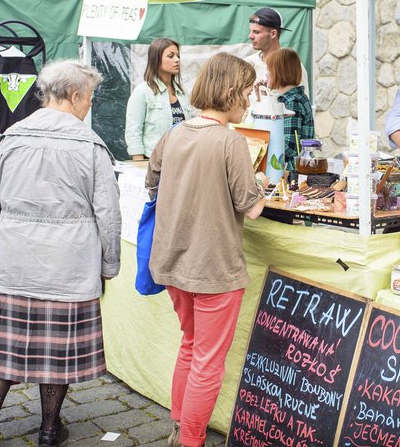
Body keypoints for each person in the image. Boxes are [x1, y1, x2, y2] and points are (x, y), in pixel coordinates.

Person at [0, 60, 121, 447]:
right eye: (90, 97)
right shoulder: (91, 145)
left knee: (2, 348)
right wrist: (109, 264)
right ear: (76, 96)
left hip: (14, 261)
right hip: (69, 266)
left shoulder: (12, 137)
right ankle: (48, 431)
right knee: (58, 353)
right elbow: (108, 213)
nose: (89, 105)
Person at [145, 52, 266, 447]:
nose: (249, 102)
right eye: (247, 93)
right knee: (207, 363)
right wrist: (263, 183)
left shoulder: (174, 134)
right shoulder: (231, 142)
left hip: (172, 261)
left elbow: (153, 184)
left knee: (191, 347)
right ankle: (190, 441)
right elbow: (252, 208)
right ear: (231, 92)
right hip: (213, 267)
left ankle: (179, 429)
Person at [125, 38, 191, 161]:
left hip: (181, 161)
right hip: (153, 161)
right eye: (170, 56)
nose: (177, 60)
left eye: (178, 55)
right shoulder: (142, 92)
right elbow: (133, 132)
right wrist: (139, 164)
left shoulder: (182, 93)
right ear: (156, 59)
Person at [264, 48, 314, 171]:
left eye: (269, 69)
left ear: (279, 72)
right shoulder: (294, 97)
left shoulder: (292, 102)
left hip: (291, 173)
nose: (266, 74)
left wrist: (263, 141)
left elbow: (291, 147)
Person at [246, 8, 309, 95]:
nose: (250, 36)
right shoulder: (247, 64)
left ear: (273, 34)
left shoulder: (291, 67)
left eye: (256, 32)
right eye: (251, 31)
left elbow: (300, 105)